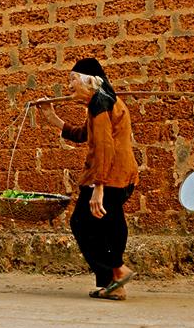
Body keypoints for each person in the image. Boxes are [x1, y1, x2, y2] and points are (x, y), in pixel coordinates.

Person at [36, 58, 139, 301]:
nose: (69, 85)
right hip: (120, 175)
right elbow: (84, 135)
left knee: (82, 223)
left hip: (110, 177)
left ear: (89, 82)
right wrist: (52, 117)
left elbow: (104, 147)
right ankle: (114, 282)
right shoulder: (101, 102)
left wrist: (98, 188)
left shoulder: (100, 104)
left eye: (72, 79)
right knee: (108, 225)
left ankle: (116, 271)